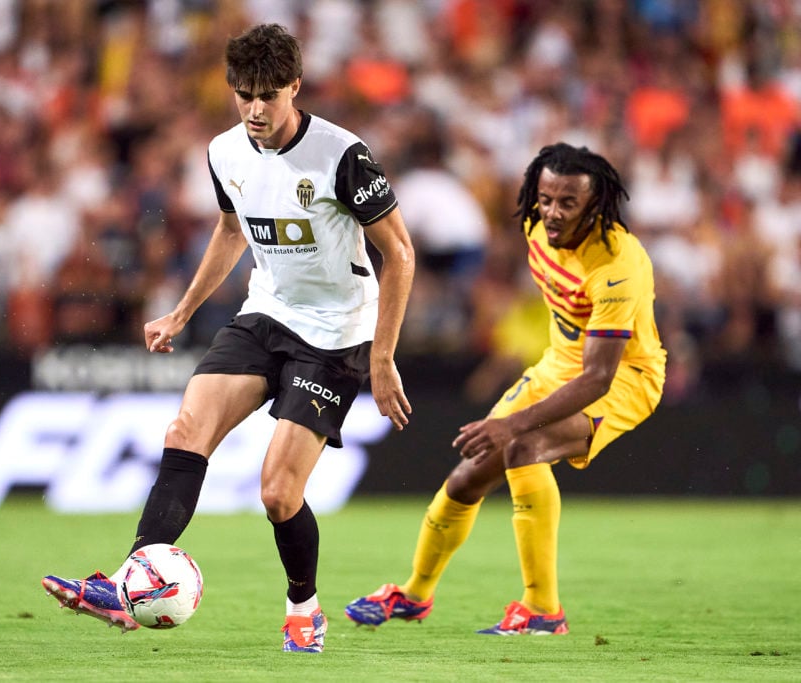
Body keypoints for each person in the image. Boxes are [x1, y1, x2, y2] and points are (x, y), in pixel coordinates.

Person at [42, 23, 415, 654]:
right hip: (266, 312)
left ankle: (304, 605)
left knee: (277, 492)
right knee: (185, 432)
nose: (255, 109)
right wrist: (184, 311)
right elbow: (230, 231)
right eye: (244, 94)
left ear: (295, 87)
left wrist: (382, 356)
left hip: (336, 333)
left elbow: (400, 254)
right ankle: (129, 583)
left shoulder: (343, 156)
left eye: (269, 95)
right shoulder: (225, 152)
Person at [345, 142, 666, 635]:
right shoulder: (536, 227)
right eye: (546, 198)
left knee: (522, 446)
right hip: (558, 365)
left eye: (568, 203)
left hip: (625, 378)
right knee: (468, 476)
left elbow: (599, 376)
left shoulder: (619, 265)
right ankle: (413, 594)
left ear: (596, 205)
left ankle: (543, 609)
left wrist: (512, 421)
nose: (553, 213)